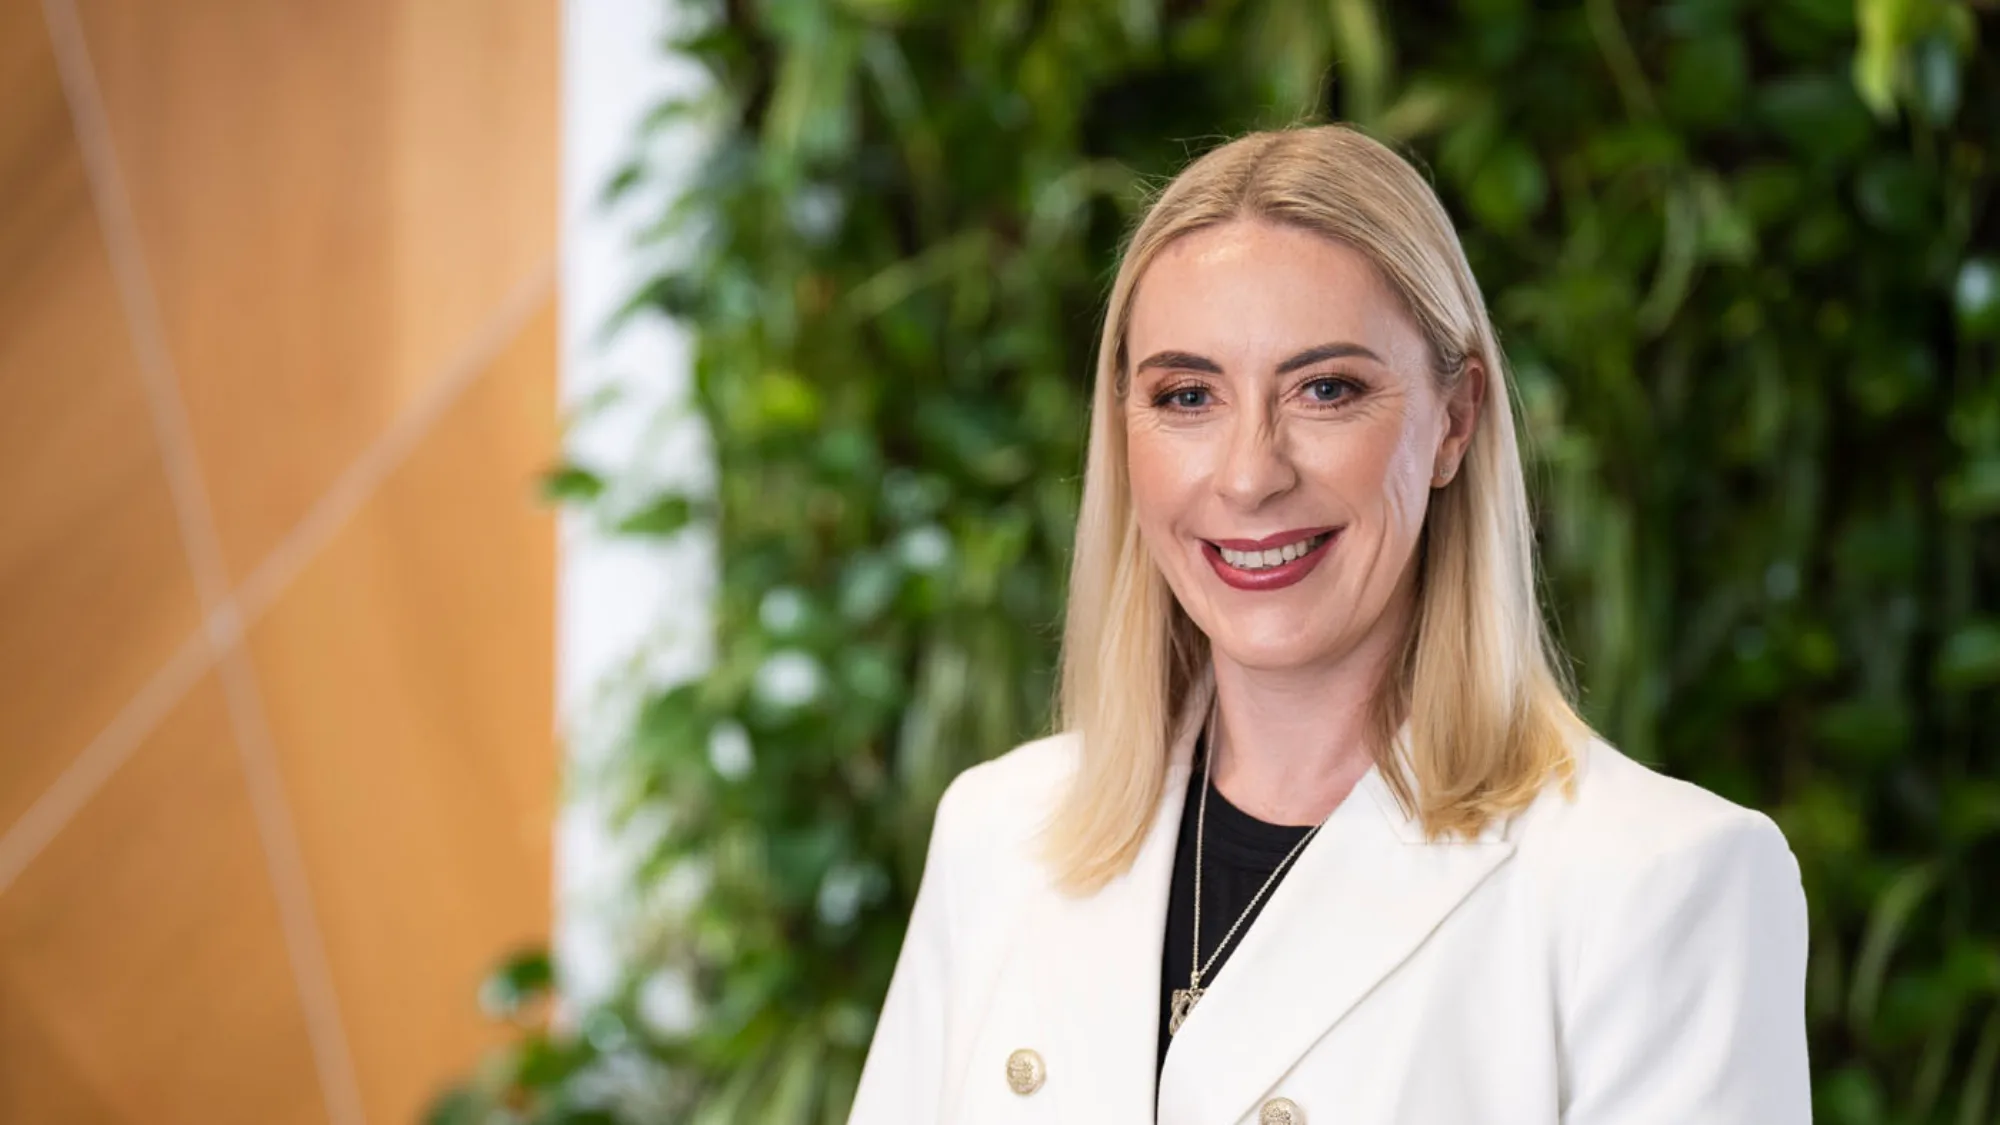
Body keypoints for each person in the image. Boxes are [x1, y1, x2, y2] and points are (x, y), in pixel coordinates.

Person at [846, 124, 1810, 1125]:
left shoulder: (1657, 881)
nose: (1250, 473)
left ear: (1453, 419)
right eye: (1186, 395)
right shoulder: (1000, 835)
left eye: (1325, 390)